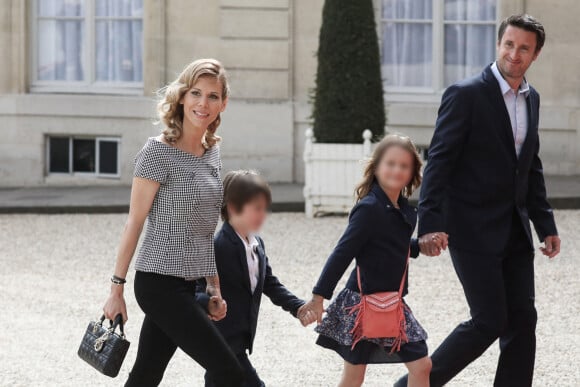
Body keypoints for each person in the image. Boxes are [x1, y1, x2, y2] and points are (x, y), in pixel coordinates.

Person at [394, 14, 561, 387]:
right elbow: (439, 161)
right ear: (498, 44)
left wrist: (544, 224)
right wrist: (431, 224)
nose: (514, 54)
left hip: (515, 231)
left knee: (523, 319)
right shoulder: (466, 94)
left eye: (523, 48)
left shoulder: (531, 99)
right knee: (488, 319)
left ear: (535, 55)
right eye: (508, 44)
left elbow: (528, 166)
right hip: (471, 229)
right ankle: (414, 385)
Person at [102, 58, 244, 387]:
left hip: (190, 283)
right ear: (182, 96)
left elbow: (205, 228)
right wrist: (116, 290)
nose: (203, 103)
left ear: (223, 103)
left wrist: (213, 285)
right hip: (157, 283)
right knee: (229, 372)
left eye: (212, 96)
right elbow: (134, 223)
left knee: (147, 374)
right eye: (196, 93)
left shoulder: (211, 153)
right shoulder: (157, 152)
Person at [302, 135, 436, 387]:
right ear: (376, 167)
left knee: (422, 364)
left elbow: (389, 244)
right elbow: (342, 253)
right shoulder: (369, 208)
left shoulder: (403, 210)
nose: (397, 170)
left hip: (394, 303)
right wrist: (319, 297)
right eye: (391, 163)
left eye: (404, 165)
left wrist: (419, 246)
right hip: (360, 305)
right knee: (354, 378)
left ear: (412, 173)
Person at [202, 170, 317, 387]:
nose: (262, 215)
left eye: (264, 208)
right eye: (256, 208)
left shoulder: (256, 243)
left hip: (239, 339)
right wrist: (210, 303)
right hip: (222, 340)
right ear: (233, 207)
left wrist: (298, 306)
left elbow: (269, 282)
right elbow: (199, 287)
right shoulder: (220, 246)